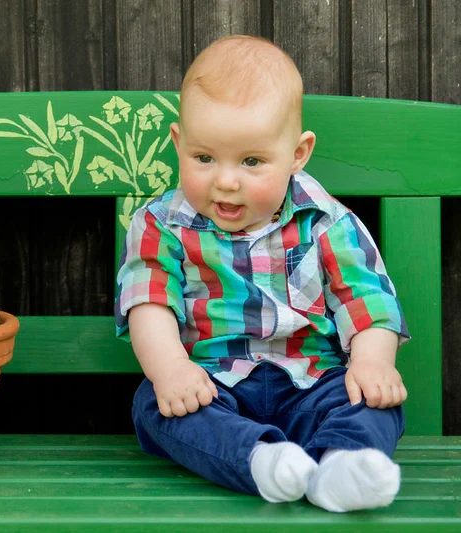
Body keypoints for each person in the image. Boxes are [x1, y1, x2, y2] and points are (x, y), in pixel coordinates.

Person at [115, 35, 409, 513]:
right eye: (204, 158)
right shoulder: (160, 225)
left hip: (314, 383)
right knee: (154, 405)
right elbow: (148, 301)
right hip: (212, 384)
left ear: (297, 154)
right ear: (178, 142)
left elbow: (368, 300)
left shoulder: (328, 223)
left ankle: (342, 464)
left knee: (372, 401)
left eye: (252, 161)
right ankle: (261, 462)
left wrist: (372, 362)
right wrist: (171, 370)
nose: (226, 180)